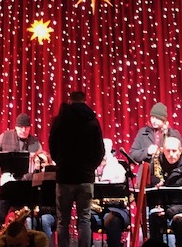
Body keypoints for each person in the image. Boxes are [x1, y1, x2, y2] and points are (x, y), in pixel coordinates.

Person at [48, 90, 105, 247]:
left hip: (64, 176)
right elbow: (100, 151)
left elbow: (52, 148)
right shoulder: (92, 121)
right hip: (85, 178)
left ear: (70, 100)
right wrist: (90, 168)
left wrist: (61, 162)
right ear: (85, 101)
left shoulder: (59, 120)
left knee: (63, 220)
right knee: (84, 219)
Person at [0, 112, 46, 233]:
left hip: (26, 188)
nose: (23, 130)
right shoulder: (5, 136)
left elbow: (42, 161)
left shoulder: (35, 142)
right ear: (16, 127)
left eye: (26, 127)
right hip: (7, 185)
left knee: (27, 219)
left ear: (30, 127)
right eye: (21, 127)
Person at [148, 136, 182, 247]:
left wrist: (170, 211)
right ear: (163, 151)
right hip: (161, 209)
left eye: (174, 151)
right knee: (153, 215)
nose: (171, 154)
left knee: (178, 221)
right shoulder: (156, 166)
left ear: (180, 151)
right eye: (168, 151)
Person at [91, 139, 130, 247]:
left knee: (112, 220)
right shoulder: (90, 168)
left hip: (116, 209)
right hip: (95, 210)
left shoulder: (117, 168)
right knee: (85, 218)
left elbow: (123, 196)